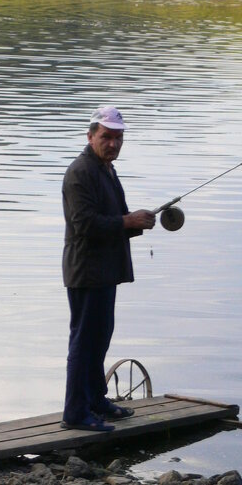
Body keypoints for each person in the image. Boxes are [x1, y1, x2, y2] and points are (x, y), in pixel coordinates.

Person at [61, 106, 156, 432]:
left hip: (104, 271)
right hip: (86, 271)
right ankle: (75, 412)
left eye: (118, 138)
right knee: (84, 341)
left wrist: (138, 221)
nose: (113, 144)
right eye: (106, 137)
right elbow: (84, 225)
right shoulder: (80, 172)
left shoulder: (106, 169)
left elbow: (114, 220)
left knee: (100, 339)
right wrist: (127, 221)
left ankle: (96, 400)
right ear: (91, 136)